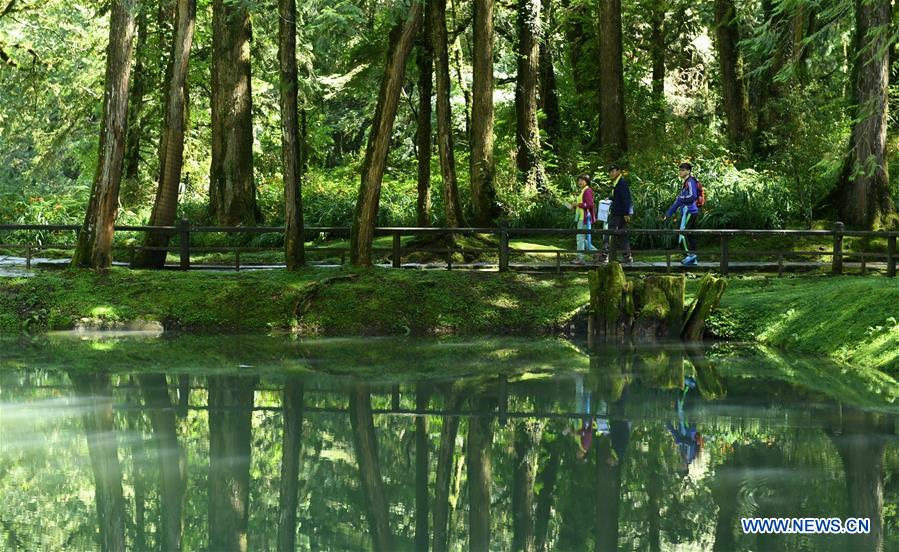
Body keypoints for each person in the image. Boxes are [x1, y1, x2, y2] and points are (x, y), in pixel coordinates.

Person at [664, 162, 700, 266]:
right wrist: (669, 213)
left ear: (688, 171)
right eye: (680, 170)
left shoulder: (690, 182)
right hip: (689, 212)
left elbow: (693, 196)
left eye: (683, 170)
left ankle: (690, 256)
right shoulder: (685, 183)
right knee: (690, 235)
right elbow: (678, 201)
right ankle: (693, 258)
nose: (681, 172)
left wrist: (681, 198)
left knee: (683, 233)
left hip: (690, 212)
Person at [666, 376, 703, 476]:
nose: (679, 466)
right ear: (686, 468)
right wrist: (680, 440)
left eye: (678, 467)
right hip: (689, 427)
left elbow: (677, 437)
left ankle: (684, 384)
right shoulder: (690, 457)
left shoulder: (682, 455)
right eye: (680, 468)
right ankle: (692, 385)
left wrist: (668, 426)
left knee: (679, 405)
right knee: (686, 406)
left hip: (682, 425)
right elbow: (691, 443)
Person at [598, 163, 634, 264]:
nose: (611, 173)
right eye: (610, 172)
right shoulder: (617, 183)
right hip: (621, 213)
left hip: (619, 214)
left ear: (618, 171)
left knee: (609, 233)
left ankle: (604, 256)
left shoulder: (621, 183)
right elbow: (618, 197)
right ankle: (627, 257)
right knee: (622, 235)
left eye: (613, 171)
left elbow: (626, 198)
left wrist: (628, 213)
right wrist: (609, 198)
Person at [566, 174, 598, 264]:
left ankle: (580, 258)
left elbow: (589, 204)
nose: (579, 182)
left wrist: (577, 204)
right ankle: (597, 253)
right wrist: (574, 206)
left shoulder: (587, 190)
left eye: (582, 180)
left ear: (586, 181)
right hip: (582, 217)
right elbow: (584, 204)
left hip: (584, 218)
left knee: (580, 237)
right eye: (579, 180)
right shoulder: (583, 190)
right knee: (583, 237)